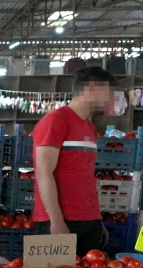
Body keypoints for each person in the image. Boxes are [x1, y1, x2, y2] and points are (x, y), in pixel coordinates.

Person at [32, 66, 116, 256]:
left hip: (89, 221)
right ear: (92, 89)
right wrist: (56, 221)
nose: (110, 100)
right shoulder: (55, 121)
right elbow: (43, 172)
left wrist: (96, 219)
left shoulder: (89, 127)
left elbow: (85, 175)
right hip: (59, 220)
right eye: (109, 94)